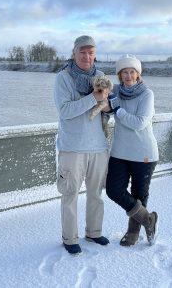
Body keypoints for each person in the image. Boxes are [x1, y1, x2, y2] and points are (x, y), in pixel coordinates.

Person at [54, 35, 110, 255]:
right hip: (72, 148)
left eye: (91, 52)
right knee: (70, 194)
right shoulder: (63, 78)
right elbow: (65, 111)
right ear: (74, 53)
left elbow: (104, 105)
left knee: (96, 193)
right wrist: (93, 98)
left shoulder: (101, 76)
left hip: (98, 147)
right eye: (83, 52)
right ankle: (69, 238)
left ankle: (94, 232)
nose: (87, 56)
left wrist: (106, 105)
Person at [106, 54, 159, 247]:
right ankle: (148, 220)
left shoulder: (147, 94)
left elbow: (139, 123)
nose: (128, 76)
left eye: (132, 72)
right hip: (119, 152)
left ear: (138, 74)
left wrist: (117, 109)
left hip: (143, 153)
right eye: (124, 72)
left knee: (139, 194)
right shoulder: (116, 91)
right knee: (113, 190)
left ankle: (132, 232)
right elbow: (101, 93)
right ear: (119, 75)